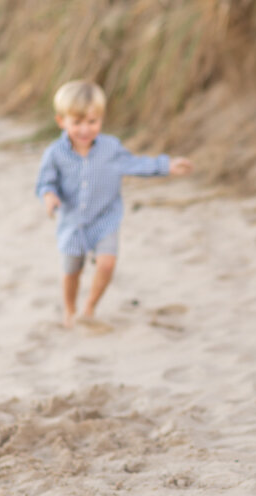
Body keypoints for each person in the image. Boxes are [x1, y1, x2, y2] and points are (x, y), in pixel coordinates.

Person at [35, 80, 193, 328]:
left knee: (107, 264)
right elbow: (46, 181)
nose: (85, 130)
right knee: (71, 271)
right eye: (77, 123)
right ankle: (70, 308)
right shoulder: (55, 154)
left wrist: (167, 166)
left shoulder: (110, 148)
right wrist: (49, 196)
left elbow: (136, 164)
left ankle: (89, 308)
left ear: (101, 119)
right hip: (72, 221)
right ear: (61, 122)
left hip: (104, 218)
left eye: (92, 122)